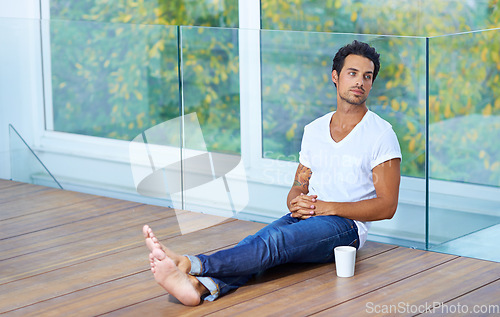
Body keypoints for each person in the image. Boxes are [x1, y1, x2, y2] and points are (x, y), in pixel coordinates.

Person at [143, 40, 402, 306]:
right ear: (335, 77)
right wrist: (296, 201)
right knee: (260, 241)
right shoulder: (314, 131)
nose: (360, 81)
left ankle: (189, 264)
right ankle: (199, 288)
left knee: (274, 242)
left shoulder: (381, 135)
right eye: (352, 73)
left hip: (347, 228)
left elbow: (387, 206)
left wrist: (327, 208)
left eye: (367, 76)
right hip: (310, 216)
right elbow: (298, 187)